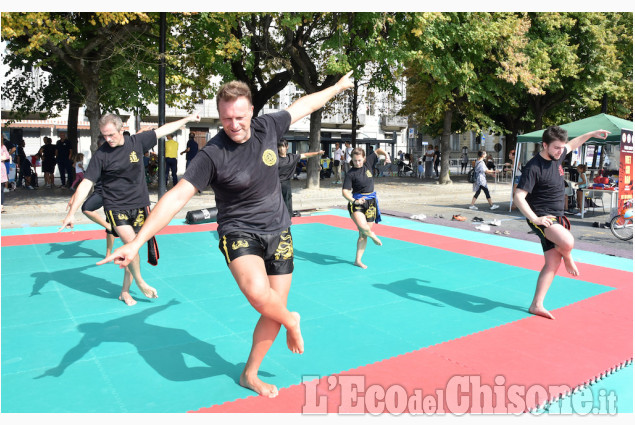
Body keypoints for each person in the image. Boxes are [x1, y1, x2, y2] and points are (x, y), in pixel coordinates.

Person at [98, 71, 356, 398]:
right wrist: (135, 242)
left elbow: (302, 105)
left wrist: (335, 87)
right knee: (261, 297)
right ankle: (292, 320)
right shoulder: (212, 154)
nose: (234, 124)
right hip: (239, 232)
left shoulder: (267, 127)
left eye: (240, 117)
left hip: (279, 229)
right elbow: (177, 196)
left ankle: (250, 373)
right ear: (219, 117)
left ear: (252, 113)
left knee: (271, 308)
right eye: (226, 119)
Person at [60, 112, 200, 306]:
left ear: (121, 130)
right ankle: (141, 283)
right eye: (104, 135)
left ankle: (124, 291)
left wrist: (187, 119)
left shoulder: (137, 142)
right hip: (116, 207)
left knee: (131, 250)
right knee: (131, 243)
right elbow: (86, 184)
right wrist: (71, 212)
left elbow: (163, 130)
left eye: (111, 135)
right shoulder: (101, 155)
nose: (107, 139)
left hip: (140, 205)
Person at [514, 126, 609, 320]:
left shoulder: (558, 154)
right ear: (545, 145)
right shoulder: (533, 167)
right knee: (567, 242)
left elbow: (573, 144)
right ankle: (568, 256)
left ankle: (536, 305)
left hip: (557, 216)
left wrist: (590, 134)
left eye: (561, 148)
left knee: (551, 263)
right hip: (542, 217)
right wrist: (535, 219)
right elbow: (518, 196)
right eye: (556, 148)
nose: (560, 151)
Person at [342, 146, 389, 269]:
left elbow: (378, 150)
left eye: (359, 160)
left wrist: (387, 156)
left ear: (363, 158)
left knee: (363, 235)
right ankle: (373, 236)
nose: (357, 163)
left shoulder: (368, 162)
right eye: (355, 160)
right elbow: (345, 192)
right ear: (351, 159)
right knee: (364, 228)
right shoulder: (350, 174)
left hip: (371, 202)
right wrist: (354, 201)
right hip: (357, 203)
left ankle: (358, 260)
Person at [277, 139, 323, 218]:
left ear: (287, 147)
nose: (282, 149)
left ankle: (287, 218)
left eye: (283, 146)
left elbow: (305, 155)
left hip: (286, 183)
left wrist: (317, 153)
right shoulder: (275, 158)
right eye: (280, 147)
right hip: (275, 183)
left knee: (287, 201)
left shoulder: (291, 157)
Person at [1, 143, 10, 212]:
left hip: (1, 169)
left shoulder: (3, 146)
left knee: (1, 189)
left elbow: (7, 156)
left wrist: (2, 157)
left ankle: (1, 206)